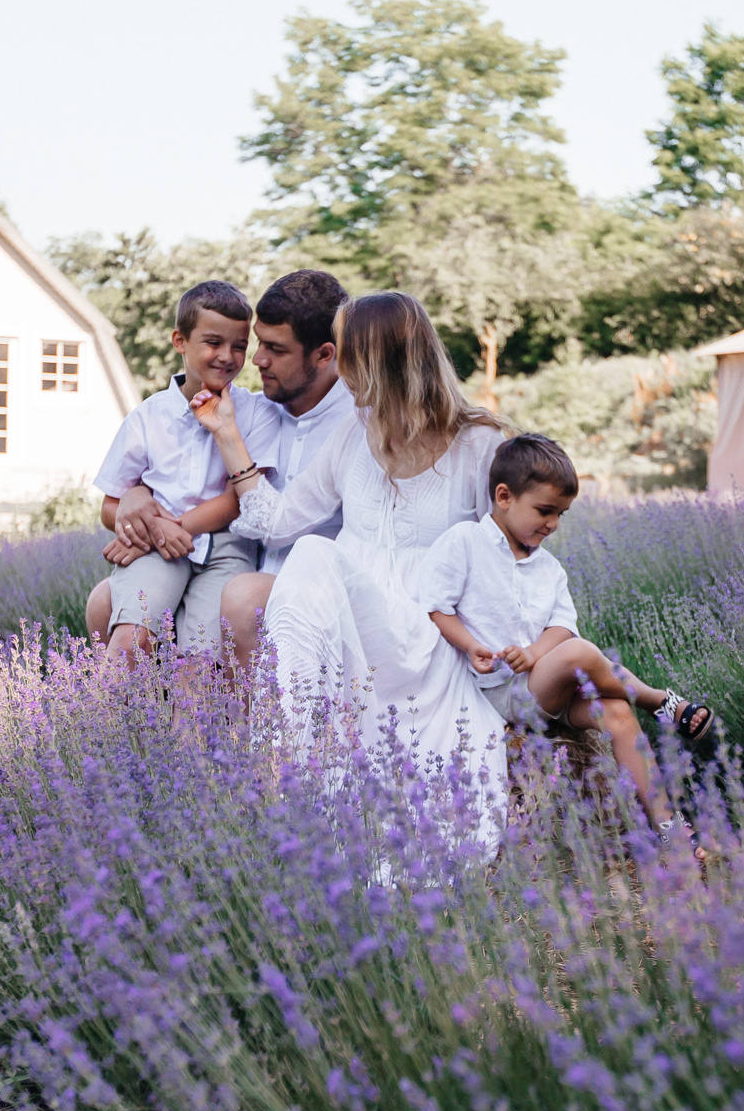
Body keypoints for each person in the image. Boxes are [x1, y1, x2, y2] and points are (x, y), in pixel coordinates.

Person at [197, 291, 510, 847]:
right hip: (356, 630)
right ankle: (287, 761)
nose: (339, 368)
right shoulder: (354, 433)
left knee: (318, 556)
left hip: (431, 634)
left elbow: (507, 558)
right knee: (315, 553)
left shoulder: (480, 443)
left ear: (377, 361)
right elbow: (278, 521)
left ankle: (282, 758)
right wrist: (227, 434)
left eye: (346, 354)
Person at [417, 433, 714, 835]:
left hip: (551, 692)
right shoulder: (465, 543)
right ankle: (660, 701)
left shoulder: (549, 568)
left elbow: (561, 624)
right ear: (504, 497)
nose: (554, 524)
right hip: (504, 695)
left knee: (617, 713)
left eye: (562, 514)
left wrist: (536, 652)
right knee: (578, 653)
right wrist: (471, 646)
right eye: (545, 510)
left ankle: (667, 827)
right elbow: (436, 606)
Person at [85, 270, 353, 644]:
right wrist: (136, 499)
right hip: (180, 555)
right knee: (112, 614)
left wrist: (169, 527)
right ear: (180, 341)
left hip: (251, 566)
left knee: (216, 636)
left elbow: (247, 507)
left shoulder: (335, 424)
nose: (250, 360)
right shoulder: (159, 416)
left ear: (324, 354)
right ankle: (113, 703)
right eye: (257, 345)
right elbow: (122, 495)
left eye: (269, 349)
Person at [90, 281, 284, 658]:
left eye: (239, 346)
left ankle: (192, 717)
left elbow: (237, 500)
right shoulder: (147, 417)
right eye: (213, 343)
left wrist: (170, 529)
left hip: (225, 548)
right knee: (130, 642)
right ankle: (102, 717)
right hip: (155, 549)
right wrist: (149, 526)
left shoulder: (257, 413)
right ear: (180, 341)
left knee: (201, 662)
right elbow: (110, 507)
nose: (227, 356)